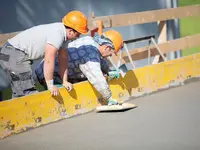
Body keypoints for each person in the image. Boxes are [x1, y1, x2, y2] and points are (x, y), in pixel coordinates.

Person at [0, 10, 88, 98]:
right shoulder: (57, 34)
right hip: (13, 53)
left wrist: (65, 81)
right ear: (70, 31)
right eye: (78, 34)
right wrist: (50, 84)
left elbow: (63, 59)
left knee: (20, 92)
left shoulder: (64, 35)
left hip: (13, 53)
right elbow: (49, 60)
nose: (78, 37)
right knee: (27, 93)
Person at [35, 30, 124, 105]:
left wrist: (108, 71)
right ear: (107, 47)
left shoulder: (91, 42)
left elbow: (99, 60)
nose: (110, 56)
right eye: (111, 53)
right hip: (49, 73)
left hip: (54, 68)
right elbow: (96, 77)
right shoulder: (90, 55)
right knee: (62, 99)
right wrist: (109, 98)